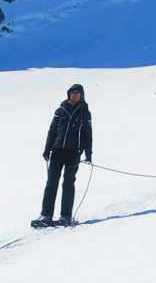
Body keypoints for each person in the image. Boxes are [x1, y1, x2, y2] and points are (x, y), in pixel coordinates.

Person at [34, 83, 93, 228]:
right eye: (72, 92)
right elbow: (52, 131)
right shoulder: (60, 110)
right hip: (57, 151)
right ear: (68, 94)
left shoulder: (85, 112)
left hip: (73, 153)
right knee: (51, 183)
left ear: (81, 95)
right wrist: (47, 149)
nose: (75, 95)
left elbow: (87, 134)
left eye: (78, 93)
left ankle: (65, 216)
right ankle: (46, 215)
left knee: (68, 184)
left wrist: (88, 153)